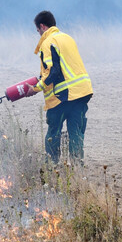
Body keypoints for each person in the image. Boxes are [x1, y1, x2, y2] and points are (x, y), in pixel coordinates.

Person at [33, 10, 93, 164]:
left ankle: (53, 167)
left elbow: (54, 71)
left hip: (62, 96)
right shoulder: (67, 38)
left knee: (54, 132)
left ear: (42, 26)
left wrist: (36, 88)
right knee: (76, 133)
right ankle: (77, 168)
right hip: (81, 92)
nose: (38, 34)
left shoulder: (47, 42)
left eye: (38, 30)